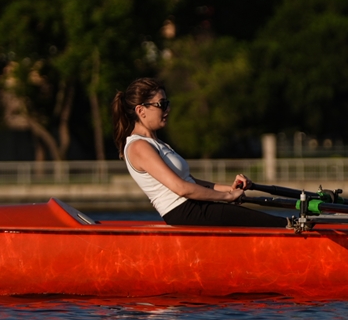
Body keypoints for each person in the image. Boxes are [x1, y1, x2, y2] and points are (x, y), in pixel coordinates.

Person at [112, 77, 286, 227]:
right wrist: (226, 196)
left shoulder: (156, 143)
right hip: (185, 212)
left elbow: (191, 181)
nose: (167, 109)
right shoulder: (138, 147)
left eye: (167, 103)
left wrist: (230, 188)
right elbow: (181, 188)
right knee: (278, 224)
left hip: (195, 207)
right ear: (140, 110)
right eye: (161, 104)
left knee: (270, 220)